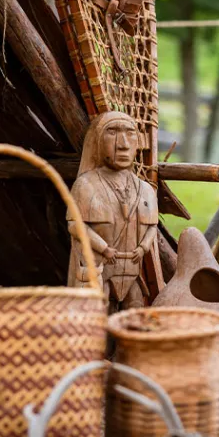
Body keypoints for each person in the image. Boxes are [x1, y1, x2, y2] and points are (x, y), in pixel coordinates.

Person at [67, 111, 158, 312]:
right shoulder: (86, 185)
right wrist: (103, 248)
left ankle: (128, 344)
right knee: (97, 316)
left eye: (130, 133)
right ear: (97, 142)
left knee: (133, 314)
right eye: (112, 132)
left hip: (132, 272)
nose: (123, 144)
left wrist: (142, 248)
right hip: (100, 272)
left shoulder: (145, 190)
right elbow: (76, 226)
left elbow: (153, 226)